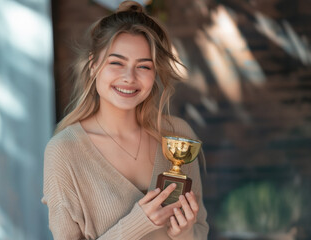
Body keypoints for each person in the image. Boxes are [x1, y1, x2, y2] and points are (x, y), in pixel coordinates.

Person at [42, 1, 209, 239]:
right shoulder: (64, 151)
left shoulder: (179, 136)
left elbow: (200, 230)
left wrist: (184, 232)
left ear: (154, 74)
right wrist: (139, 223)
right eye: (116, 63)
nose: (129, 77)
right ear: (93, 65)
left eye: (143, 66)